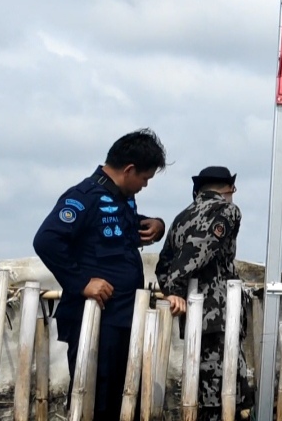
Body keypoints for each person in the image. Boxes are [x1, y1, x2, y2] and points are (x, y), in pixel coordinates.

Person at [33, 128, 168, 420]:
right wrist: (82, 282)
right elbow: (47, 240)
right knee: (95, 400)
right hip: (94, 318)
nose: (144, 186)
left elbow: (123, 228)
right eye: (144, 179)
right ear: (129, 169)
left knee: (123, 400)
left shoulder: (122, 198)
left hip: (123, 317)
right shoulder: (84, 196)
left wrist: (156, 224)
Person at [155, 166, 254, 421]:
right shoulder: (227, 210)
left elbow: (163, 263)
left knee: (201, 387)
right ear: (230, 189)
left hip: (192, 314)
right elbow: (203, 247)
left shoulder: (181, 218)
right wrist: (176, 284)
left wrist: (171, 292)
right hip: (219, 314)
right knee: (225, 391)